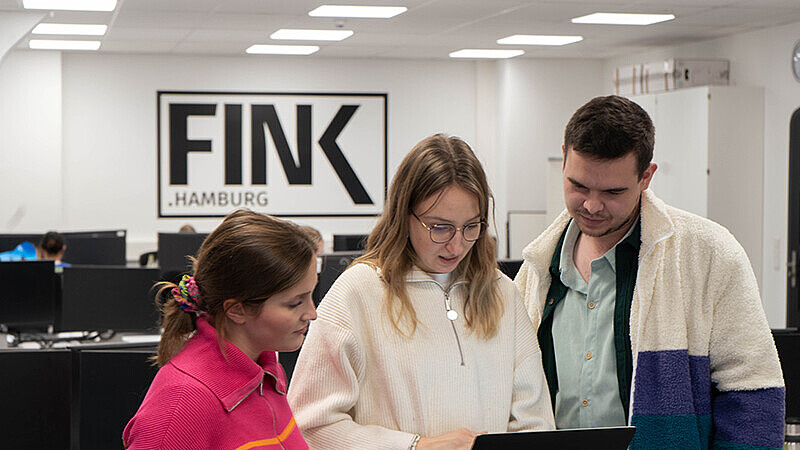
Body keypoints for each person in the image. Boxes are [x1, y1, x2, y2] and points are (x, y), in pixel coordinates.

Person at [514, 95, 785, 448]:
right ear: (564, 156)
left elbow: (753, 393)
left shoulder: (709, 254)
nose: (592, 205)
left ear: (646, 176)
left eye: (613, 191)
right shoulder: (537, 269)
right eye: (578, 186)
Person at [288, 134, 555, 449]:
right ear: (404, 215)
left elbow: (535, 425)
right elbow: (311, 427)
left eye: (471, 226)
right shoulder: (357, 292)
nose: (456, 245)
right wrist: (416, 446)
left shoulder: (503, 294)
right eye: (439, 227)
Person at [123, 210, 317, 449]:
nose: (312, 313)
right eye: (295, 302)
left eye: (310, 296)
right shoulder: (181, 404)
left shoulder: (267, 370)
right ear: (236, 310)